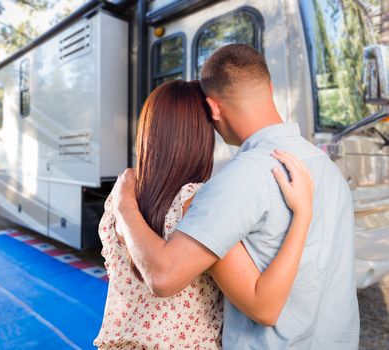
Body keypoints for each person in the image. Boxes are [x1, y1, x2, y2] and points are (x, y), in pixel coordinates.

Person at [112, 44, 359, 349]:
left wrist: (124, 206)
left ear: (213, 108)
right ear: (269, 87)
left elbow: (163, 277)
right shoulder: (326, 167)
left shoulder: (239, 178)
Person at [94, 79, 314, 349]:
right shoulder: (196, 204)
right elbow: (264, 306)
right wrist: (303, 213)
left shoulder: (120, 197)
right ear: (200, 136)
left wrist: (124, 205)